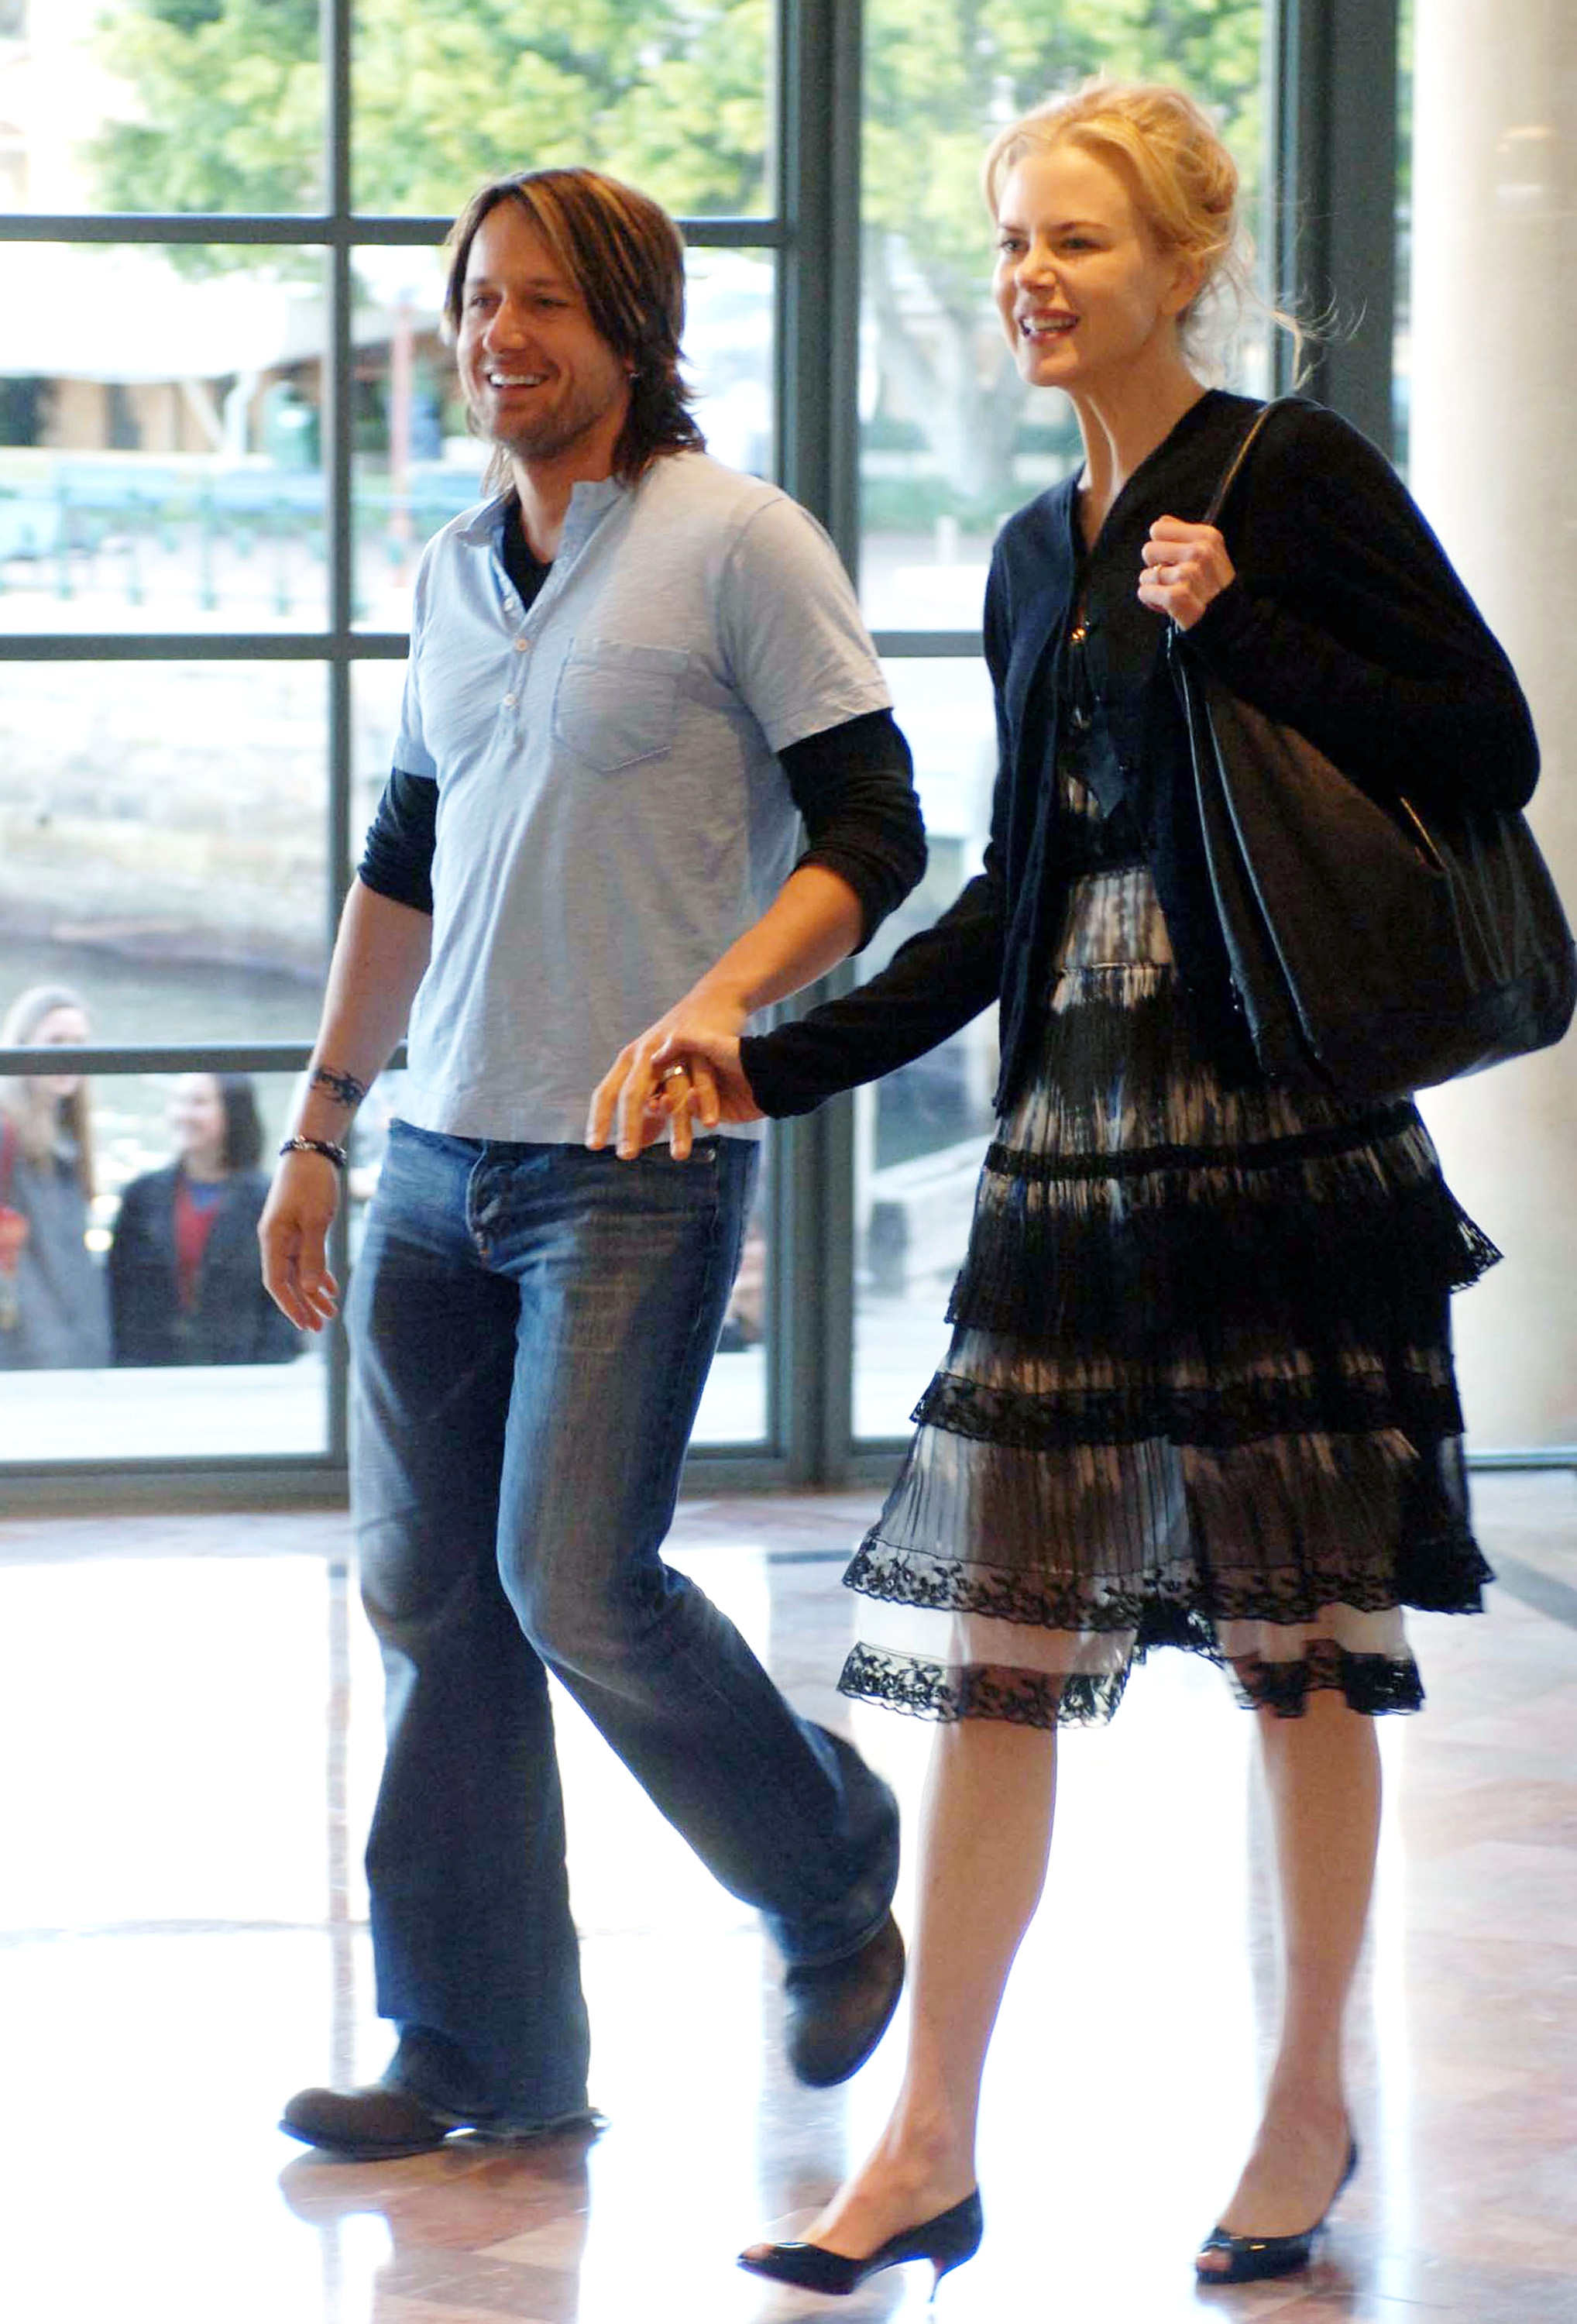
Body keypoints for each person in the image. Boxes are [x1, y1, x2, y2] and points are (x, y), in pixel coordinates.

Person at [617, 79, 1540, 2294]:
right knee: (1000, 1657)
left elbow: (1483, 750)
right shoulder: (1031, 552)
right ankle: (928, 2138)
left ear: (1181, 268)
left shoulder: (1289, 477)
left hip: (1278, 1157)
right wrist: (764, 1052)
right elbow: (1009, 898)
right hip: (1068, 1163)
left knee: (1299, 1654)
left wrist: (1239, 626)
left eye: (1079, 243)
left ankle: (1304, 2107)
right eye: (1015, 238)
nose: (1034, 274)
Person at [259, 164, 927, 2161]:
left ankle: (823, 1867)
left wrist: (722, 1001)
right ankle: (479, 2049)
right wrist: (316, 1124)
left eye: (543, 301)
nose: (499, 337)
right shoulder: (455, 566)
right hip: (434, 1158)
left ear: (633, 323)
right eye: (477, 301)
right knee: (428, 1599)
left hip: (626, 1162)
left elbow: (872, 833)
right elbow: (403, 864)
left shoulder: (738, 543)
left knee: (576, 1584)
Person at [108, 1073, 301, 1367]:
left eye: (198, 1103)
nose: (183, 1114)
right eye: (178, 1101)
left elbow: (283, 1306)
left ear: (233, 1111)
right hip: (151, 1370)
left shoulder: (269, 1201)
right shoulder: (141, 1196)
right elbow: (118, 1292)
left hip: (241, 1371)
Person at [0, 983, 109, 1371]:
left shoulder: (69, 1138)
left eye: (79, 1043)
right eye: (55, 1041)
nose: (69, 1054)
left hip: (72, 1344)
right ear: (23, 1044)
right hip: (26, 1349)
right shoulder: (7, 1133)